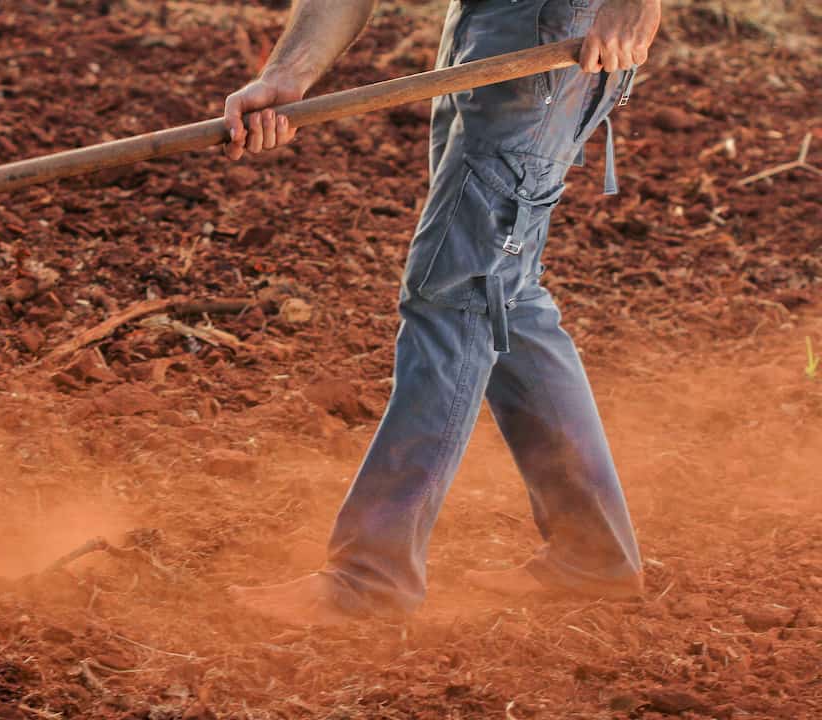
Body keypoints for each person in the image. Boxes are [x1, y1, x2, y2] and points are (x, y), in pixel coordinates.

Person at [225, 0, 662, 625]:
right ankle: (592, 552)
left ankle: (368, 579)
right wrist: (286, 75)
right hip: (490, 26)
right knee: (498, 289)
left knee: (456, 291)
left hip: (560, 28)